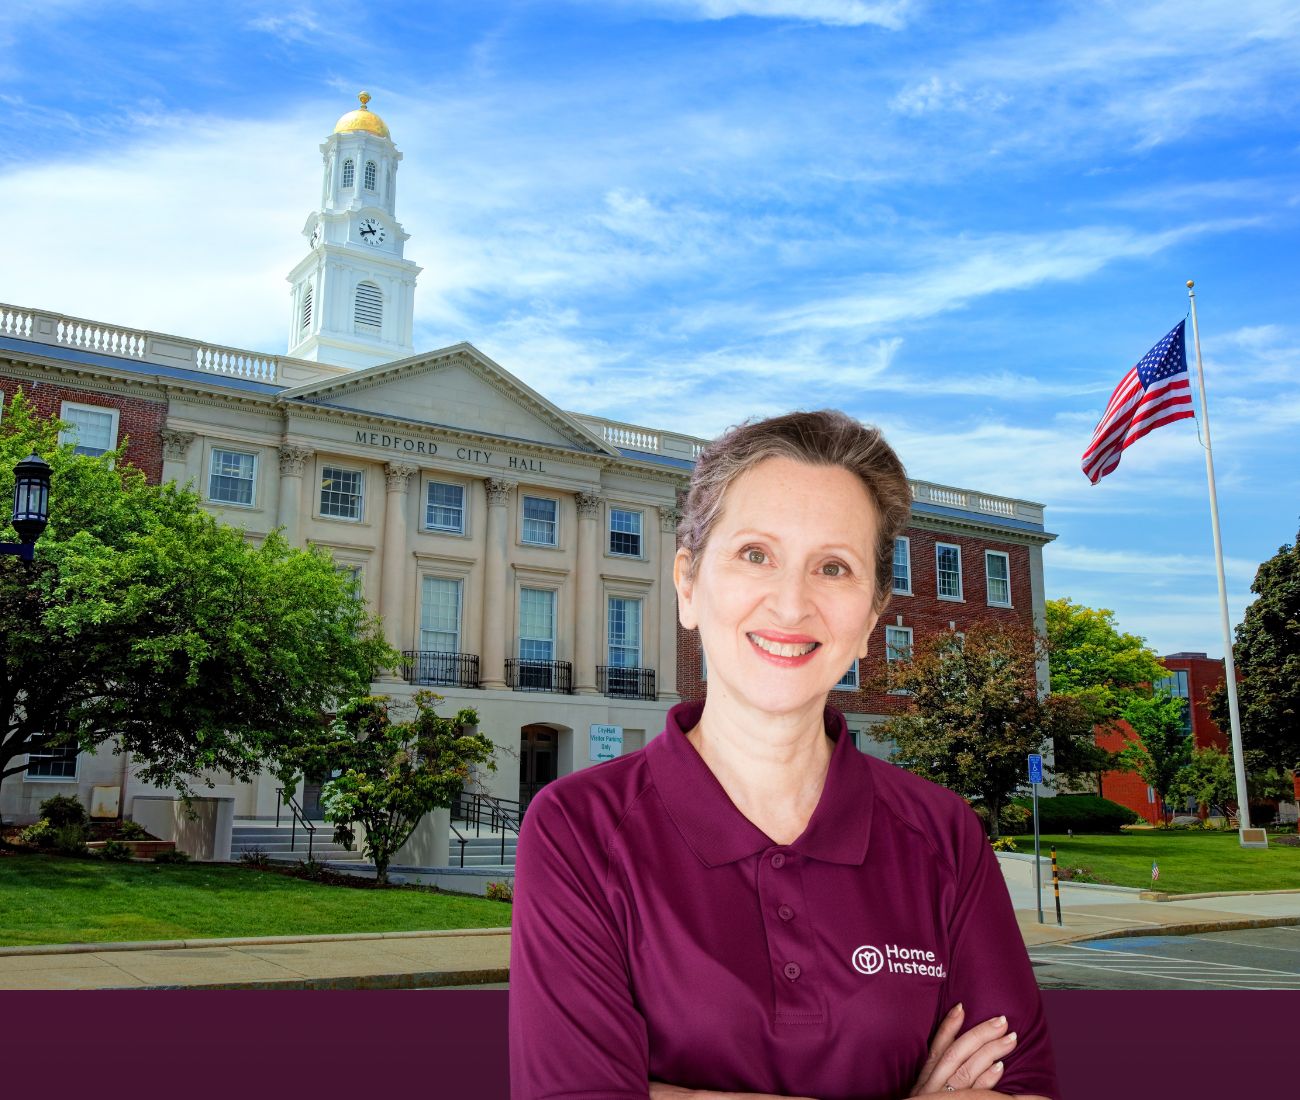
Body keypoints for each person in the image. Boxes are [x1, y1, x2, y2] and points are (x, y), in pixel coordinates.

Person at [509, 410, 1059, 1100]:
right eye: (755, 554)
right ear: (688, 583)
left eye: (833, 567)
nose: (792, 604)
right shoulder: (579, 829)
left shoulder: (942, 836)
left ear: (870, 618)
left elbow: (1025, 1088)